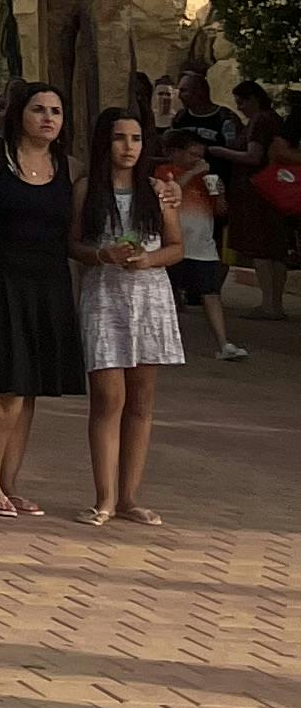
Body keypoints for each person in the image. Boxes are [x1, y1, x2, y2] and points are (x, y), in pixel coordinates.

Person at [0, 81, 84, 516]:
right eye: (38, 109)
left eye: (56, 111)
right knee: (1, 384)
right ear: (19, 114)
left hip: (45, 285)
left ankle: (8, 483)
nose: (48, 118)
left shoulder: (70, 168)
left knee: (27, 390)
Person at [73, 106, 181, 527]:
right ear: (105, 142)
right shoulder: (87, 189)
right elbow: (73, 244)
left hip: (149, 297)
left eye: (136, 139)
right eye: (120, 138)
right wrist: (103, 255)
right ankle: (104, 497)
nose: (128, 147)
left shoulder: (155, 190)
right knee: (107, 398)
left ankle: (129, 497)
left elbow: (176, 246)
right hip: (104, 295)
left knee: (141, 401)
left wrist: (148, 259)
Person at [167, 63, 251, 358]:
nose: (182, 95)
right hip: (174, 243)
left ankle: (223, 343)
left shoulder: (224, 118)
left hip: (202, 245)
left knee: (210, 292)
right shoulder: (168, 170)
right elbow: (168, 193)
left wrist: (220, 194)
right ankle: (170, 343)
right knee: (170, 294)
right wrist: (192, 173)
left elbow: (220, 211)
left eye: (187, 90)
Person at [233, 84, 293, 324]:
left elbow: (253, 155)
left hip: (259, 192)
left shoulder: (261, 121)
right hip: (277, 191)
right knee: (276, 250)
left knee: (262, 249)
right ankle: (274, 303)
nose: (239, 107)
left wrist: (219, 152)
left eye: (241, 102)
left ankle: (269, 303)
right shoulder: (275, 120)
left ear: (253, 99)